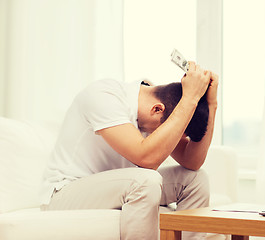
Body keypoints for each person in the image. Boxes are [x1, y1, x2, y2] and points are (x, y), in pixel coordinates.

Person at [40, 61, 218, 240]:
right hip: (64, 194)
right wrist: (189, 98)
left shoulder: (154, 109)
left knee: (196, 179)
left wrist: (211, 104)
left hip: (117, 190)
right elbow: (146, 159)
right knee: (146, 179)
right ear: (157, 110)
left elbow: (192, 162)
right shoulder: (104, 95)